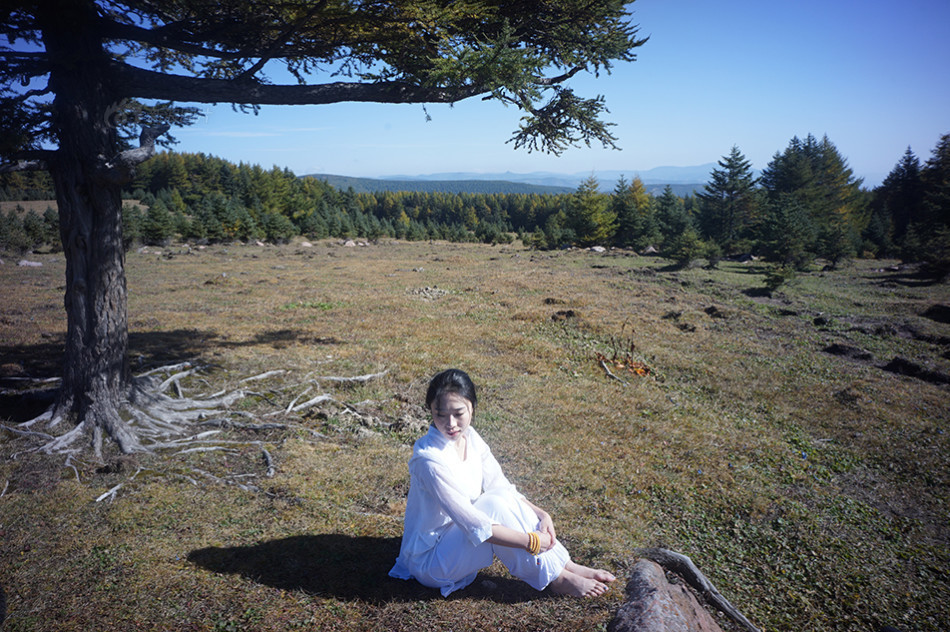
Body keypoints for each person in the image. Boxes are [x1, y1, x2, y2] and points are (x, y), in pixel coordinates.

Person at [389, 368, 615, 597]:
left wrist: (541, 514)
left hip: (457, 540)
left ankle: (566, 565)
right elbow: (474, 524)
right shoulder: (429, 460)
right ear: (431, 411)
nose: (451, 423)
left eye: (458, 413)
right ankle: (558, 578)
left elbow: (501, 486)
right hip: (432, 561)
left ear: (472, 407)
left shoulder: (470, 437)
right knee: (492, 505)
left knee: (499, 497)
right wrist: (531, 541)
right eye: (440, 415)